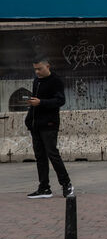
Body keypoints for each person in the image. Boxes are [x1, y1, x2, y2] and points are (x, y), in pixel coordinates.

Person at [25, 58, 73, 199]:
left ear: (48, 66)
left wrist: (41, 102)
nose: (37, 71)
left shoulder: (55, 81)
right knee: (40, 157)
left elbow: (60, 100)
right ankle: (44, 188)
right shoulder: (36, 81)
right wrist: (29, 119)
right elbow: (35, 102)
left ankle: (67, 184)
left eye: (40, 68)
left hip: (49, 124)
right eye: (35, 69)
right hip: (35, 125)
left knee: (53, 154)